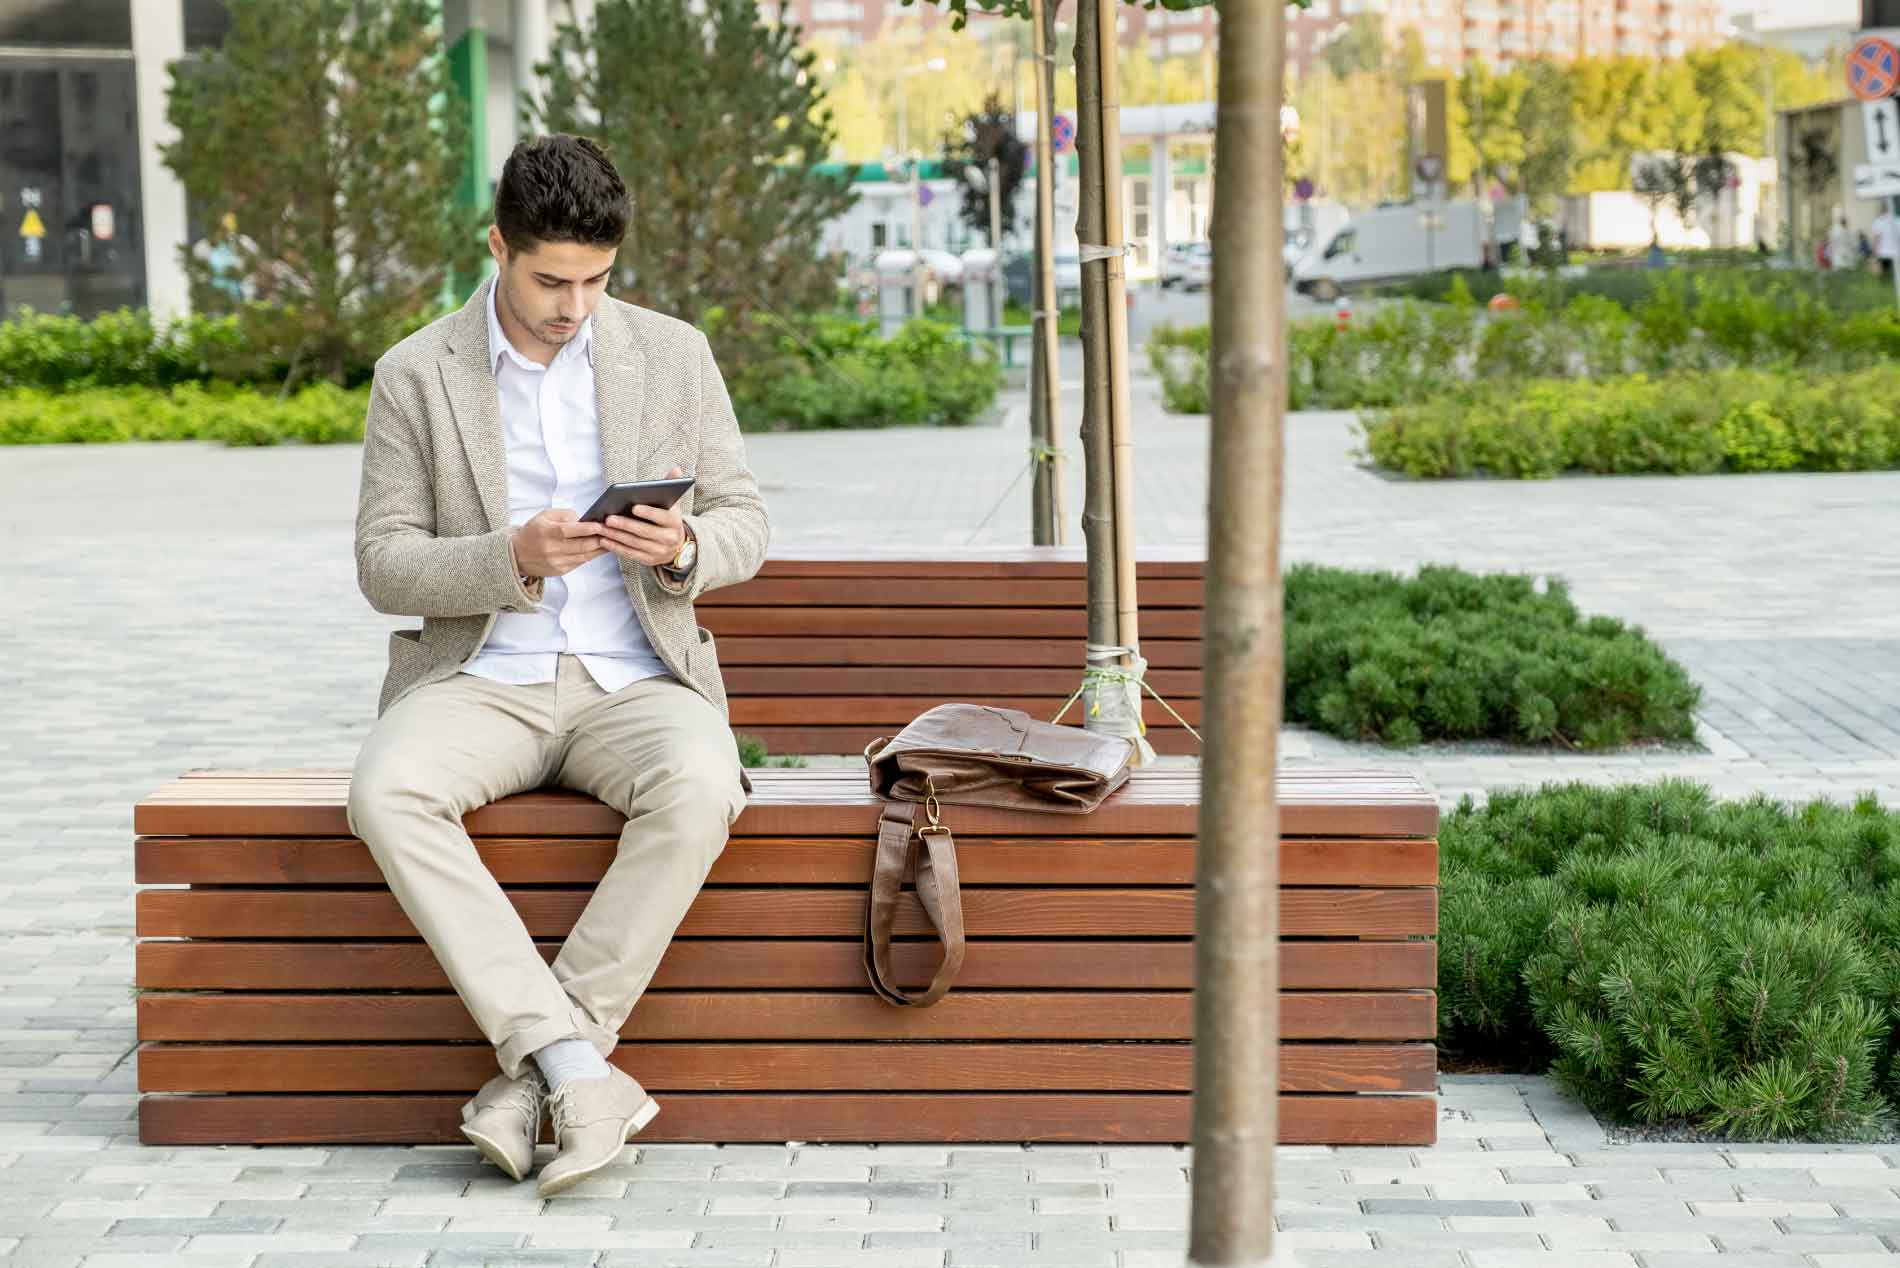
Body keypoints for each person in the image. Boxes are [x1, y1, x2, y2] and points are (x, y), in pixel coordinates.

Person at [347, 134, 768, 1196]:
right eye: (549, 279)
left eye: (596, 279)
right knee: (386, 790)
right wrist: (508, 558)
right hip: (481, 675)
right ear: (496, 246)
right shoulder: (415, 374)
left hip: (636, 676)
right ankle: (579, 1068)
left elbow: (745, 520)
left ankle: (537, 1072)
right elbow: (383, 563)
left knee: (705, 782)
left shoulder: (673, 355)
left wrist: (681, 549)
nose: (573, 304)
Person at [1873, 204, 1899, 279]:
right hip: (1896, 252)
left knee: (1884, 276)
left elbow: (1876, 238)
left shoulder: (1878, 221)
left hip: (1883, 253)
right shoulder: (1897, 220)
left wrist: (1874, 254)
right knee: (1896, 276)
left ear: (1882, 210)